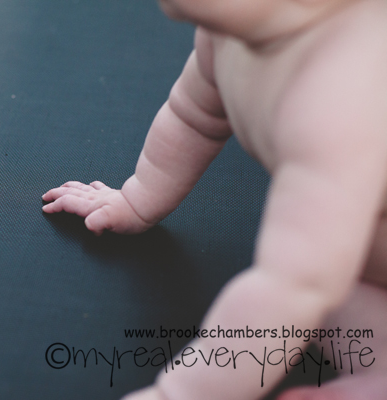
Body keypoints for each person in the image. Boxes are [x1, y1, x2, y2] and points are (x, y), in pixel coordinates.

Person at [41, 0, 387, 398]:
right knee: (324, 295)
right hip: (361, 266)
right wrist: (137, 198)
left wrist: (180, 392)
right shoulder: (228, 34)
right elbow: (193, 116)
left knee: (302, 288)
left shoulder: (340, 94)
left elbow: (289, 287)